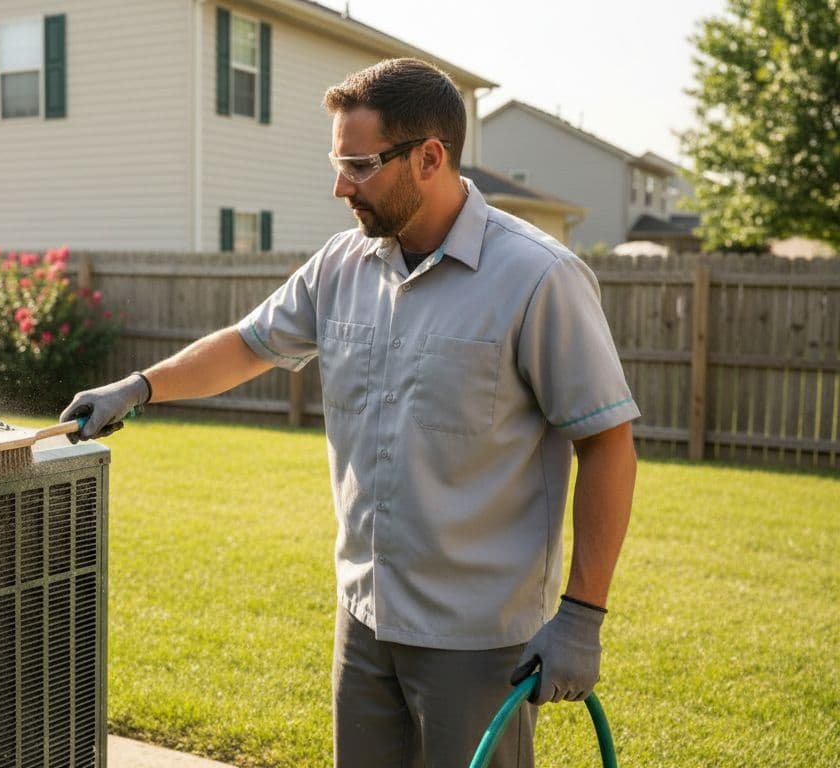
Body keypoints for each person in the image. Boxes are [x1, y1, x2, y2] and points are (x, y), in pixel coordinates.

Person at [60, 57, 638, 768]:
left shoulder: (537, 277)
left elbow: (607, 443)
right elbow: (249, 345)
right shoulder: (342, 265)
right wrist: (139, 386)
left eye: (360, 166)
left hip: (478, 641)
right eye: (339, 164)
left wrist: (582, 616)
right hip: (364, 621)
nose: (341, 187)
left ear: (430, 157)